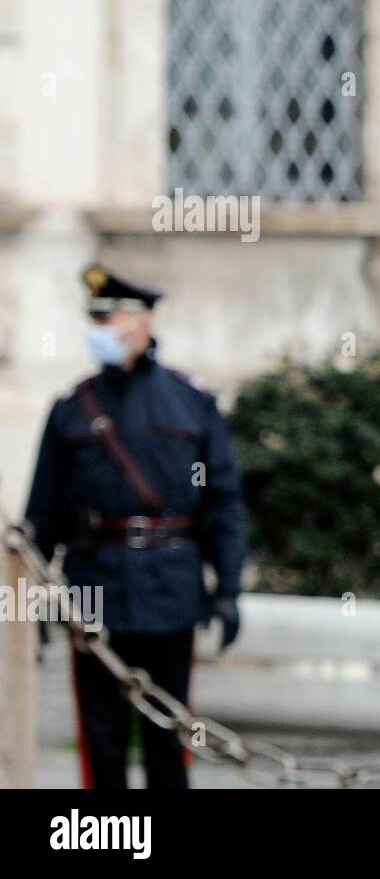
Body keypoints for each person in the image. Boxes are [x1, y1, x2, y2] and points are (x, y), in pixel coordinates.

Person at [25, 266, 246, 789]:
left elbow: (222, 502)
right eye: (95, 316)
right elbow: (42, 511)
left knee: (167, 737)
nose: (101, 326)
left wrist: (230, 587)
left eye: (111, 315)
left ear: (144, 320)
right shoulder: (71, 408)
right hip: (95, 589)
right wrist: (33, 598)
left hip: (171, 585)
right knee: (101, 740)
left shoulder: (191, 401)